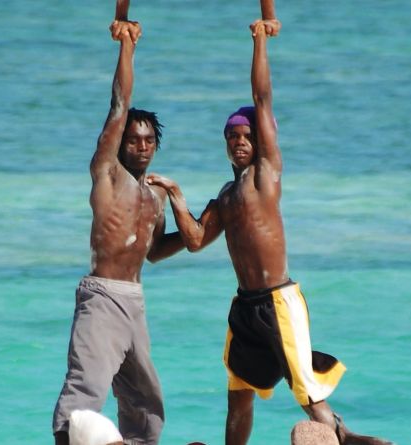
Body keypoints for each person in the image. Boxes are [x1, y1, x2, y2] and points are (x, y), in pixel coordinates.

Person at [146, 14, 393, 445]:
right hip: (245, 307)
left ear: (259, 141)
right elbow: (195, 240)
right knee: (238, 392)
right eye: (231, 136)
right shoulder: (224, 196)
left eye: (245, 135)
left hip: (278, 300)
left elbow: (261, 98)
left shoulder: (265, 174)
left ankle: (347, 437)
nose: (238, 141)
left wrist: (260, 40)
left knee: (305, 387)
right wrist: (174, 195)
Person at [51, 15, 184, 445]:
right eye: (134, 139)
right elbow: (119, 105)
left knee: (146, 402)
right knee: (85, 390)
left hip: (135, 301)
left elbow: (156, 250)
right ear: (120, 143)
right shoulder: (108, 174)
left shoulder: (155, 196)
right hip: (103, 295)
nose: (141, 146)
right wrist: (128, 46)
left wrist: (199, 219)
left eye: (148, 141)